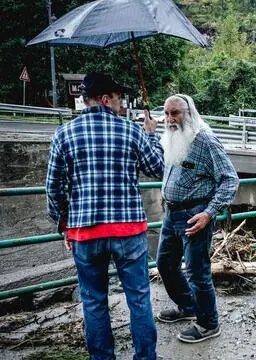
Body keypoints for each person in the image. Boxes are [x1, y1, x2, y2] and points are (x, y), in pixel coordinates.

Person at [46, 72, 164, 360]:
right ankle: (145, 357)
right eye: (119, 98)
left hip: (85, 232)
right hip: (128, 232)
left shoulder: (64, 133)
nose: (122, 104)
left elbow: (54, 187)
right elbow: (159, 168)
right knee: (138, 298)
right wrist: (152, 134)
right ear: (105, 98)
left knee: (94, 301)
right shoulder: (131, 131)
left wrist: (64, 223)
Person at [155, 94, 238, 343]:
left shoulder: (204, 139)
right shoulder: (173, 138)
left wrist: (209, 213)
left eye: (176, 113)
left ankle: (208, 323)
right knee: (165, 265)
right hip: (172, 213)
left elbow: (229, 179)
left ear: (188, 113)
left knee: (196, 272)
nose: (170, 119)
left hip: (195, 215)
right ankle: (188, 306)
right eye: (167, 114)